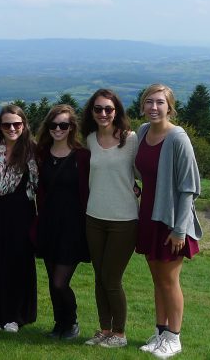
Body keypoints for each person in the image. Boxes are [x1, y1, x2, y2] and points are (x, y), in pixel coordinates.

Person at [133, 84, 203, 358]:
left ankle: (174, 338)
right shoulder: (142, 132)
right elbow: (142, 171)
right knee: (157, 280)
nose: (153, 107)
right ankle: (160, 332)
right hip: (149, 214)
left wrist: (179, 230)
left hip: (172, 220)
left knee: (169, 281)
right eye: (149, 101)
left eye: (160, 102)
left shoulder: (178, 138)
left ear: (169, 107)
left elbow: (189, 188)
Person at [79, 88, 139, 348]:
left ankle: (120, 334)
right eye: (98, 109)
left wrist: (139, 188)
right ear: (91, 112)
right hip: (94, 217)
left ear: (117, 112)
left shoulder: (131, 139)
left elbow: (145, 172)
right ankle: (104, 329)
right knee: (99, 277)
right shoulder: (90, 139)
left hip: (123, 220)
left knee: (111, 279)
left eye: (108, 109)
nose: (103, 113)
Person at [0, 104, 38, 333]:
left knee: (18, 263)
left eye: (17, 124)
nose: (12, 128)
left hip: (21, 212)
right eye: (7, 124)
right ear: (0, 127)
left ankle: (15, 316)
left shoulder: (32, 150)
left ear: (24, 125)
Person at [34, 104, 91, 340]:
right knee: (51, 279)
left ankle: (73, 322)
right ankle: (59, 324)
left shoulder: (82, 156)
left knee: (60, 282)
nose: (58, 129)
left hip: (73, 228)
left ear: (71, 128)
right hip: (49, 225)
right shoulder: (42, 155)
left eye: (63, 125)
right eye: (53, 125)